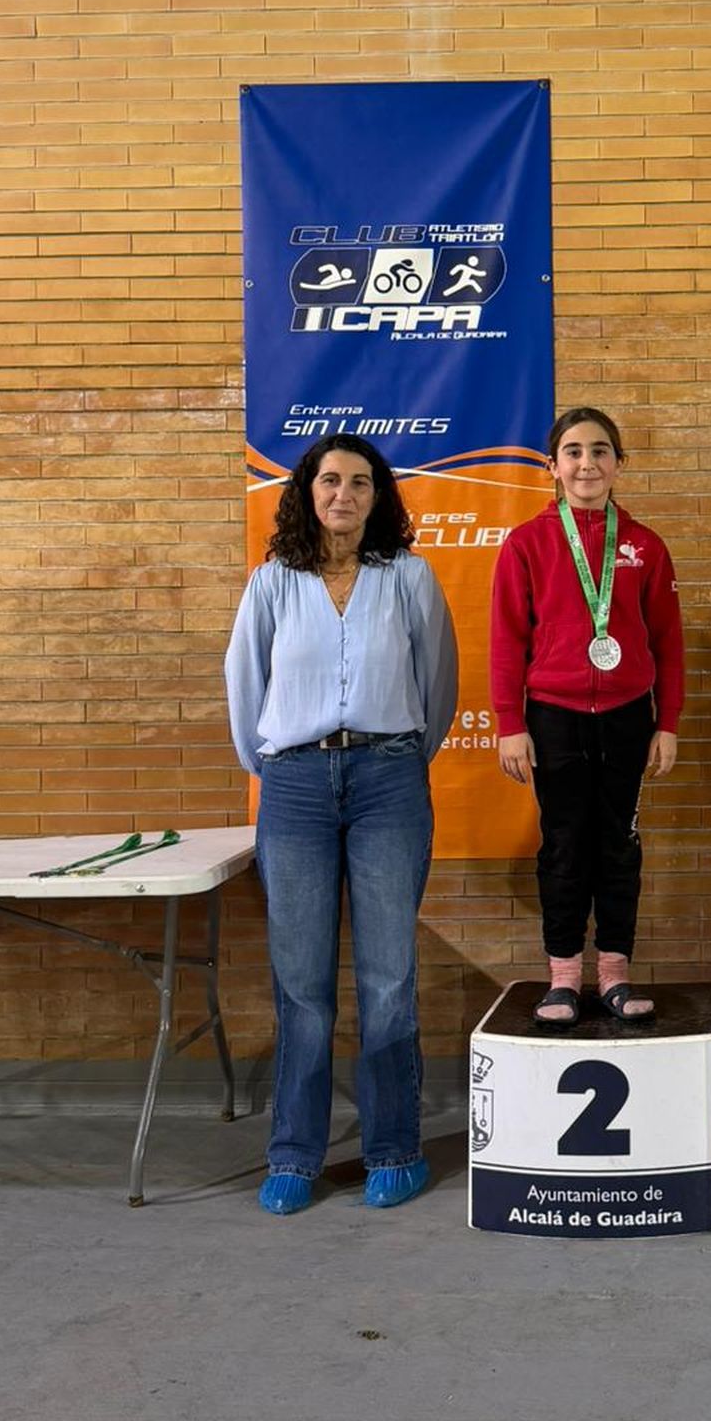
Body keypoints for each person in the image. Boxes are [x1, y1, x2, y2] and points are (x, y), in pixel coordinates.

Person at [225, 436, 458, 1215]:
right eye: (331, 480)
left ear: (378, 497)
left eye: (361, 482)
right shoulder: (272, 583)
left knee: (388, 978)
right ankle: (294, 1152)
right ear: (307, 491)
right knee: (303, 984)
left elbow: (439, 685)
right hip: (293, 786)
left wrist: (397, 754)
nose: (344, 494)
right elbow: (244, 684)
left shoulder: (410, 577)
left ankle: (394, 1145)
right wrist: (282, 765)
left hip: (390, 778)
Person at [491, 407, 684, 1026]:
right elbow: (506, 640)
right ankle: (564, 977)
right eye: (572, 451)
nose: (586, 463)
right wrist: (509, 722)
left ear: (619, 464)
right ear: (552, 466)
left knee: (619, 845)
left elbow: (668, 642)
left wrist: (668, 721)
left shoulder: (645, 546)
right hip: (553, 716)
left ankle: (616, 975)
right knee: (565, 844)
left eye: (600, 451)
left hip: (628, 716)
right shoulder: (527, 544)